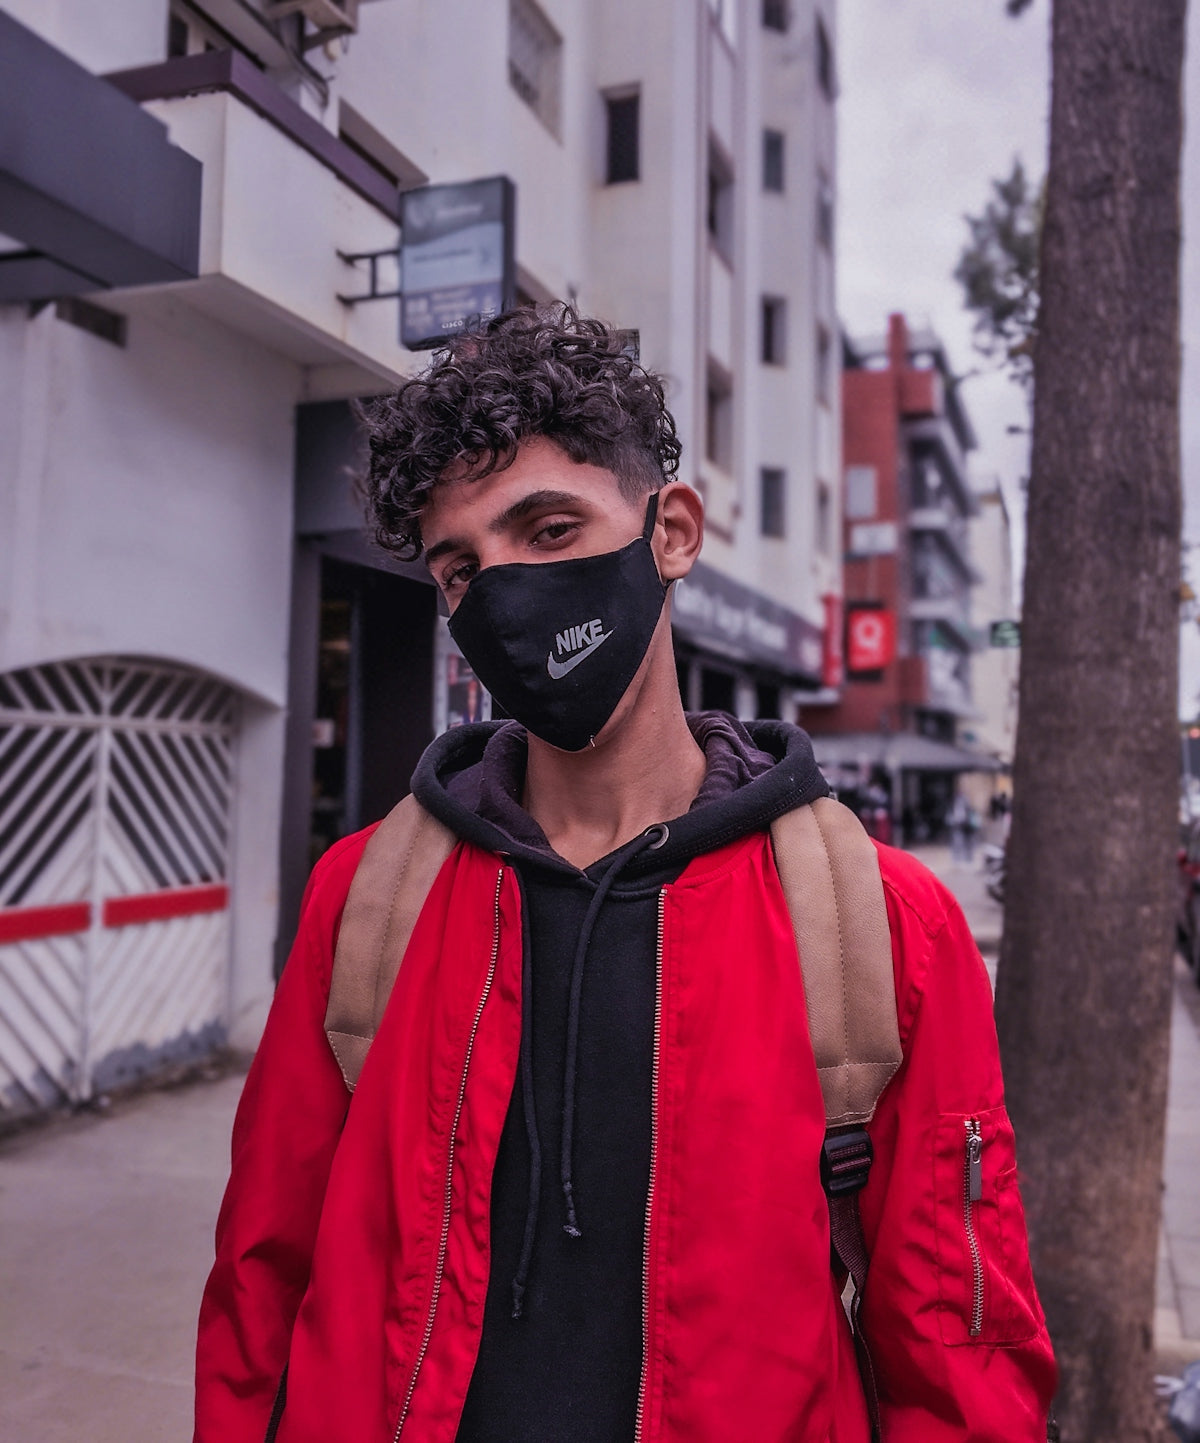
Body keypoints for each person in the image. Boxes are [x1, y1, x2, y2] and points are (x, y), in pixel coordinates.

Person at [194, 308, 1056, 1442]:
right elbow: (263, 1279)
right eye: (462, 570)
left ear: (673, 533)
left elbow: (956, 1353)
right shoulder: (366, 898)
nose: (503, 595)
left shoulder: (880, 925)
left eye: (549, 529)